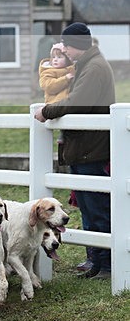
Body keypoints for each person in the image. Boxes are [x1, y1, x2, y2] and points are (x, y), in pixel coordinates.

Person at [35, 23, 115, 280]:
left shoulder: (94, 67)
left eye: (67, 45)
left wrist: (47, 111)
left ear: (76, 45)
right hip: (85, 148)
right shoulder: (89, 65)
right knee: (89, 208)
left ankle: (107, 264)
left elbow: (77, 102)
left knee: (97, 208)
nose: (65, 50)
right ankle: (96, 260)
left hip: (91, 149)